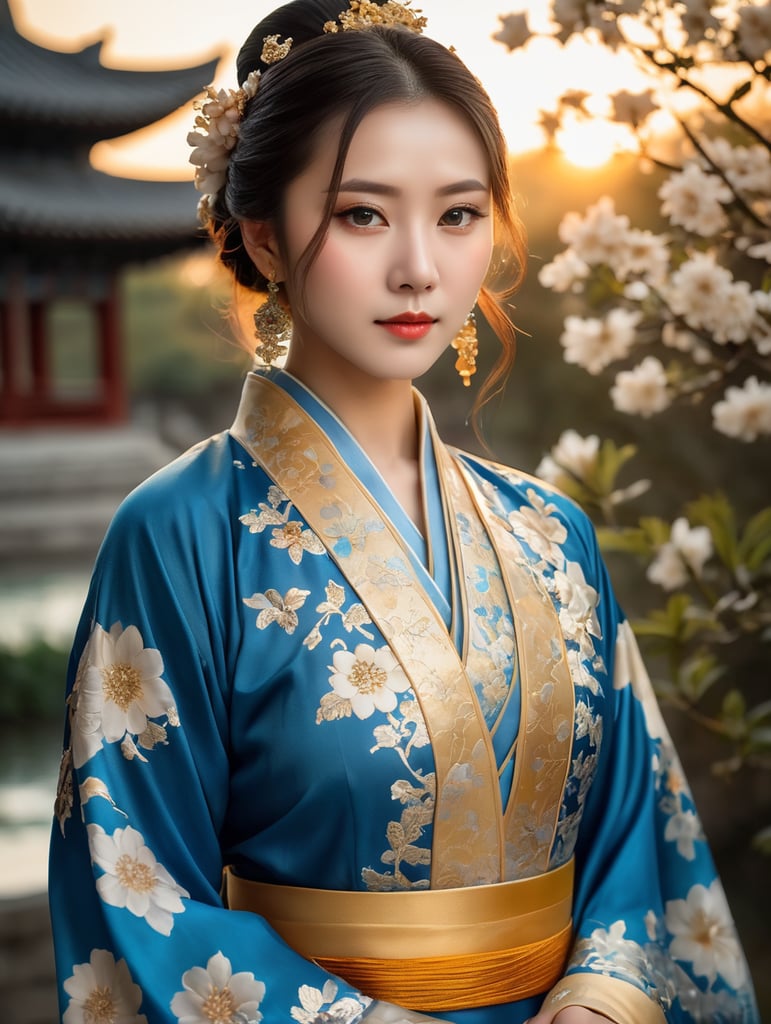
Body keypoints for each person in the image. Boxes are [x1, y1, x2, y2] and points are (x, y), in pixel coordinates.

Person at [48, 2, 760, 1022]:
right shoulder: (179, 535)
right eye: (363, 215)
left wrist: (603, 993)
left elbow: (634, 835)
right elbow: (135, 883)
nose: (419, 266)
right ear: (264, 233)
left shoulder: (551, 532)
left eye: (458, 214)